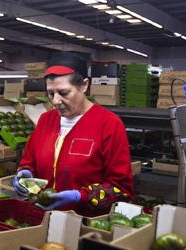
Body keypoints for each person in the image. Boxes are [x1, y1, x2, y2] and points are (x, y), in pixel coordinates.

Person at [14, 53, 134, 216]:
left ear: (84, 85)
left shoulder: (108, 124)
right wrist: (25, 173)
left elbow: (121, 189)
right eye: (50, 93)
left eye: (63, 93)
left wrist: (81, 196)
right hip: (42, 218)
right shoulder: (45, 120)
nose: (56, 101)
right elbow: (29, 160)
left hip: (84, 223)